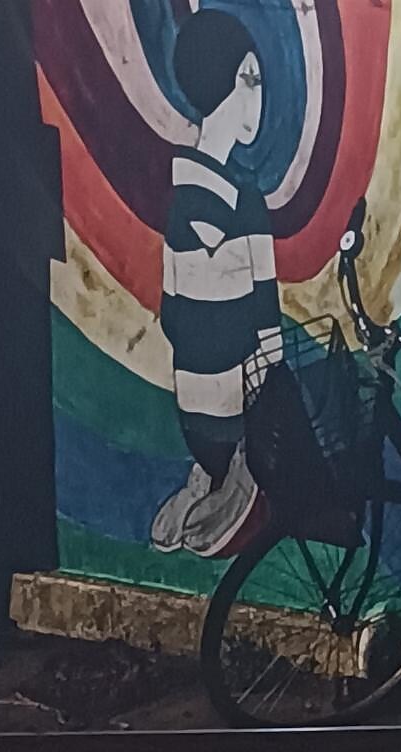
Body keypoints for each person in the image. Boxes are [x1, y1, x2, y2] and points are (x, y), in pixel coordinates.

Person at [148, 9, 280, 559]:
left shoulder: (180, 202)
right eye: (256, 82)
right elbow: (266, 320)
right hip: (238, 411)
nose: (261, 101)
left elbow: (171, 312)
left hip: (193, 408)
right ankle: (237, 482)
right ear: (242, 77)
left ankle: (207, 476)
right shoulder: (249, 204)